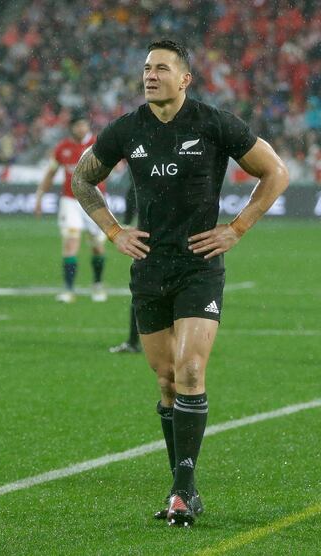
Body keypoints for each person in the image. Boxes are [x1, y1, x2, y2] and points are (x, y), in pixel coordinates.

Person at [71, 39, 289, 527]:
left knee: (190, 371)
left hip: (198, 266)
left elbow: (275, 172)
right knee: (167, 380)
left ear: (185, 79)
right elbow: (82, 179)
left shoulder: (213, 123)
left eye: (162, 68)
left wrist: (237, 228)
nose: (150, 75)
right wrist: (112, 231)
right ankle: (181, 484)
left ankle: (183, 490)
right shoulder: (127, 130)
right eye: (146, 68)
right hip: (149, 269)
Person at [34, 112, 108, 303]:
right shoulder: (62, 148)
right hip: (70, 201)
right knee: (70, 244)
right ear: (71, 128)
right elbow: (51, 173)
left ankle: (98, 285)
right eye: (77, 126)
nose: (81, 129)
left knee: (98, 247)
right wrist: (40, 197)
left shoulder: (98, 145)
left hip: (94, 200)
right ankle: (69, 290)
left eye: (83, 125)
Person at [109, 175, 142, 354]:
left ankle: (132, 341)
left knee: (142, 289)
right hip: (187, 234)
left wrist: (127, 223)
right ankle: (180, 342)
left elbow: (132, 192)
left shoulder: (142, 156)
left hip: (151, 234)